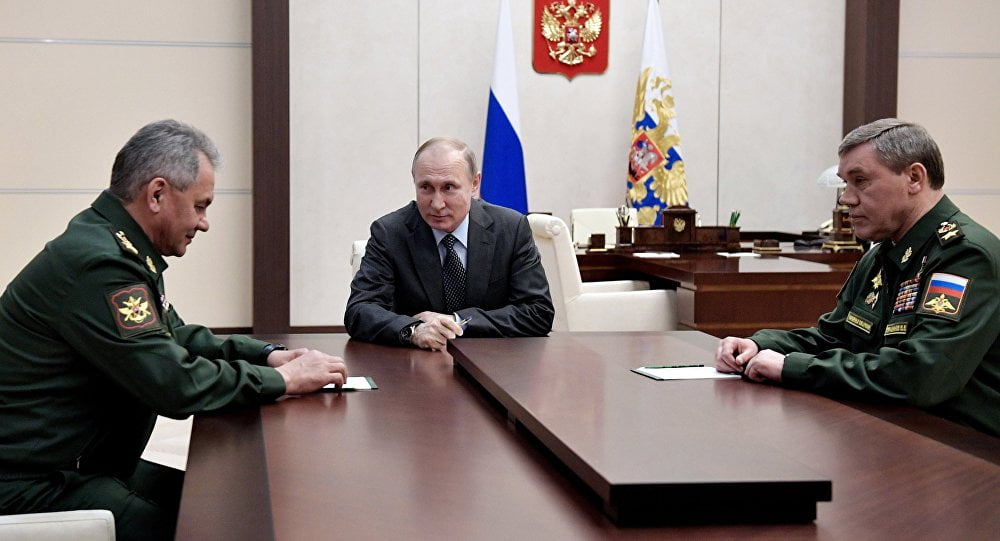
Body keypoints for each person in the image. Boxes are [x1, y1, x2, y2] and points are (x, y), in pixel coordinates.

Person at [0, 120, 349, 540]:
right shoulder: (101, 264)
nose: (204, 223)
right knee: (209, 528)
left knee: (224, 502)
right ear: (157, 194)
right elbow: (174, 384)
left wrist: (267, 355)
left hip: (80, 461)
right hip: (32, 481)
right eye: (201, 206)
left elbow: (175, 337)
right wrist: (283, 380)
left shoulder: (115, 246)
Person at [715, 118, 999, 438]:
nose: (845, 199)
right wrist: (760, 343)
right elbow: (835, 337)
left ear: (914, 178)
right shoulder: (882, 254)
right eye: (845, 183)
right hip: (893, 431)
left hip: (963, 447)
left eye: (860, 181)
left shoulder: (964, 256)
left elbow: (921, 375)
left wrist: (792, 367)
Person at [345, 136, 554, 350]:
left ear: (474, 183)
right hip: (414, 362)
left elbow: (538, 312)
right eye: (426, 187)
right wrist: (414, 330)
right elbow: (359, 311)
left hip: (494, 359)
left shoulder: (510, 228)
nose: (437, 204)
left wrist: (456, 322)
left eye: (449, 187)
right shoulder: (390, 233)